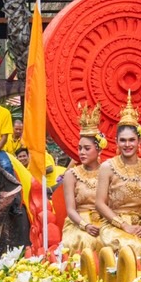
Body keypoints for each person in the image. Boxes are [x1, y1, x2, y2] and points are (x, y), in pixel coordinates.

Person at [96, 95, 141, 260]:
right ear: (116, 142)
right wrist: (123, 226)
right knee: (132, 248)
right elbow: (100, 204)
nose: (127, 144)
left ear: (139, 142)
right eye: (123, 140)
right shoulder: (107, 167)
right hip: (114, 226)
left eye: (132, 140)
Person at [60, 106, 107, 258]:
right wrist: (85, 225)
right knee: (86, 241)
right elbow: (70, 210)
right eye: (80, 148)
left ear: (98, 150)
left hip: (104, 221)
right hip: (78, 223)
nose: (82, 152)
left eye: (87, 148)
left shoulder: (108, 172)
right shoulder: (71, 175)